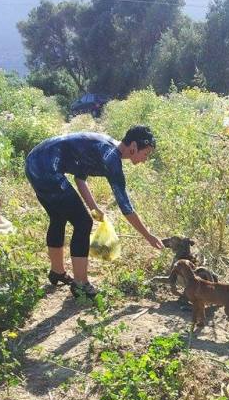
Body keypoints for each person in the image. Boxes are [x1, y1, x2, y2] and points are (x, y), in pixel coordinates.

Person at [25, 125, 164, 298]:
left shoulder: (107, 149)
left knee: (58, 216)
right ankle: (81, 284)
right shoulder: (112, 158)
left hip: (34, 161)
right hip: (46, 168)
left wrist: (94, 207)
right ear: (134, 147)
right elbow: (126, 207)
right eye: (146, 154)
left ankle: (57, 272)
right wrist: (148, 236)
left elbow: (79, 177)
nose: (145, 159)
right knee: (83, 223)